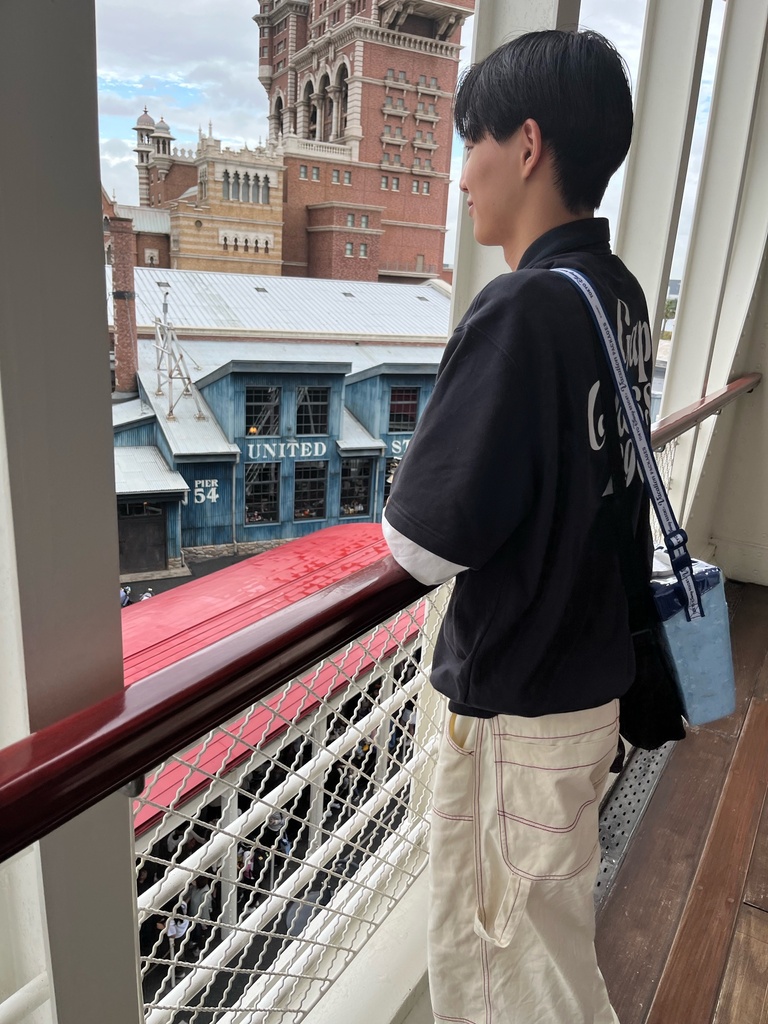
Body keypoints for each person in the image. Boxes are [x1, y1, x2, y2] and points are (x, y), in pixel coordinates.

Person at [382, 29, 651, 1024]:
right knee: (549, 953)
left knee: (507, 987)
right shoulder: (618, 297)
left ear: (527, 145)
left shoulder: (521, 310)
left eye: (473, 144)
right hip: (590, 689)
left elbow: (418, 545)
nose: (462, 178)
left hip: (518, 718)